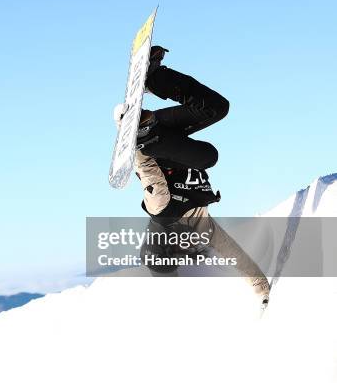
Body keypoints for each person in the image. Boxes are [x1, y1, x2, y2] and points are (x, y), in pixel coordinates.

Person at [113, 46, 271, 308]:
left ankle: (153, 90)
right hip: (164, 136)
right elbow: (236, 255)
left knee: (209, 155)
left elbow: (148, 174)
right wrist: (262, 289)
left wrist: (130, 136)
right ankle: (155, 78)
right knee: (216, 108)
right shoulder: (203, 229)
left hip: (153, 140)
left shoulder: (161, 210)